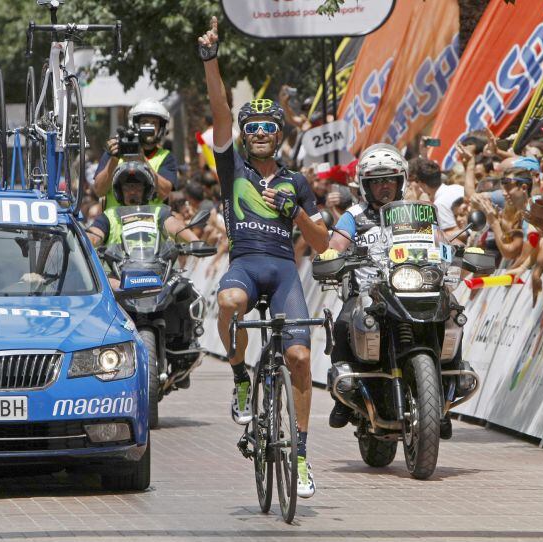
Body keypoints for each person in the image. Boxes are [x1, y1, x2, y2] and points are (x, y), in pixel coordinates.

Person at [199, 16, 329, 498]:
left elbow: (319, 244)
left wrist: (298, 214)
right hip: (246, 265)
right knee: (229, 301)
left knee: (298, 356)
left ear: (278, 134)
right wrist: (211, 61)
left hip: (284, 273)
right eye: (249, 127)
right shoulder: (233, 167)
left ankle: (299, 452)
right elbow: (219, 111)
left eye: (265, 128)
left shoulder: (296, 181)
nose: (255, 133)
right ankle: (238, 376)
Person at [320, 143, 465, 439]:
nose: (384, 186)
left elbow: (440, 244)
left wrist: (459, 251)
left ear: (401, 182)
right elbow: (334, 248)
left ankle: (449, 388)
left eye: (390, 180)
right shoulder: (353, 216)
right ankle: (344, 396)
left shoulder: (419, 213)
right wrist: (332, 258)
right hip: (369, 291)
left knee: (453, 313)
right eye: (376, 181)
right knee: (345, 319)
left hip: (415, 285)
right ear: (365, 185)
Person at [86, 162, 198, 285]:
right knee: (106, 286)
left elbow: (174, 226)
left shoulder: (158, 211)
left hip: (160, 274)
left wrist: (195, 241)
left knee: (186, 290)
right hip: (119, 277)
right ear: (119, 190)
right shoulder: (109, 215)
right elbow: (95, 233)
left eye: (138, 187)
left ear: (147, 189)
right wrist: (89, 240)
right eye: (127, 187)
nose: (132, 192)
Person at [93, 99, 179, 209]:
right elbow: (99, 191)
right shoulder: (115, 151)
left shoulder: (166, 157)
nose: (148, 127)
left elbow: (165, 193)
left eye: (154, 123)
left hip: (151, 223)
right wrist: (114, 159)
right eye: (144, 122)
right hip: (117, 223)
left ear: (161, 128)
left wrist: (143, 160)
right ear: (134, 124)